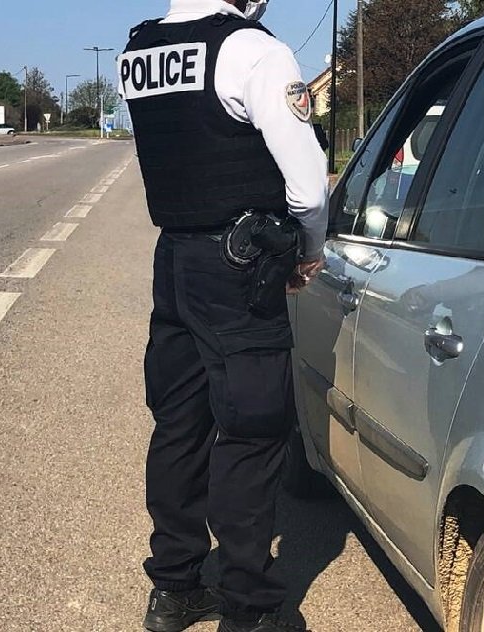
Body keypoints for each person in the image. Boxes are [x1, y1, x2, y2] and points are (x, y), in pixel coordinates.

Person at [117, 1, 328, 631]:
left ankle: (175, 587)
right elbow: (308, 184)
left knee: (178, 424)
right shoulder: (253, 50)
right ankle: (248, 607)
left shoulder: (140, 52)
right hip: (240, 264)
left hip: (174, 259)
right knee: (251, 430)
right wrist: (307, 255)